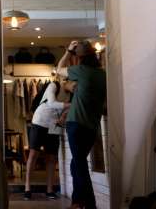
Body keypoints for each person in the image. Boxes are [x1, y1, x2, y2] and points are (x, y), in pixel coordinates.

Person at [57, 40, 106, 209]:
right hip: (92, 126)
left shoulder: (80, 71)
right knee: (76, 163)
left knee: (80, 164)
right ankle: (77, 202)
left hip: (76, 124)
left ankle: (90, 204)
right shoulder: (102, 74)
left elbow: (59, 69)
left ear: (80, 58)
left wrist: (68, 51)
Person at [24, 80, 74, 201]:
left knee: (51, 158)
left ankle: (49, 190)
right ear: (67, 81)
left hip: (54, 125)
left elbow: (65, 111)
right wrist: (70, 105)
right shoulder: (54, 86)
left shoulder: (71, 95)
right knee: (33, 154)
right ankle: (27, 188)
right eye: (74, 84)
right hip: (40, 121)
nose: (75, 87)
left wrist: (63, 116)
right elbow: (51, 103)